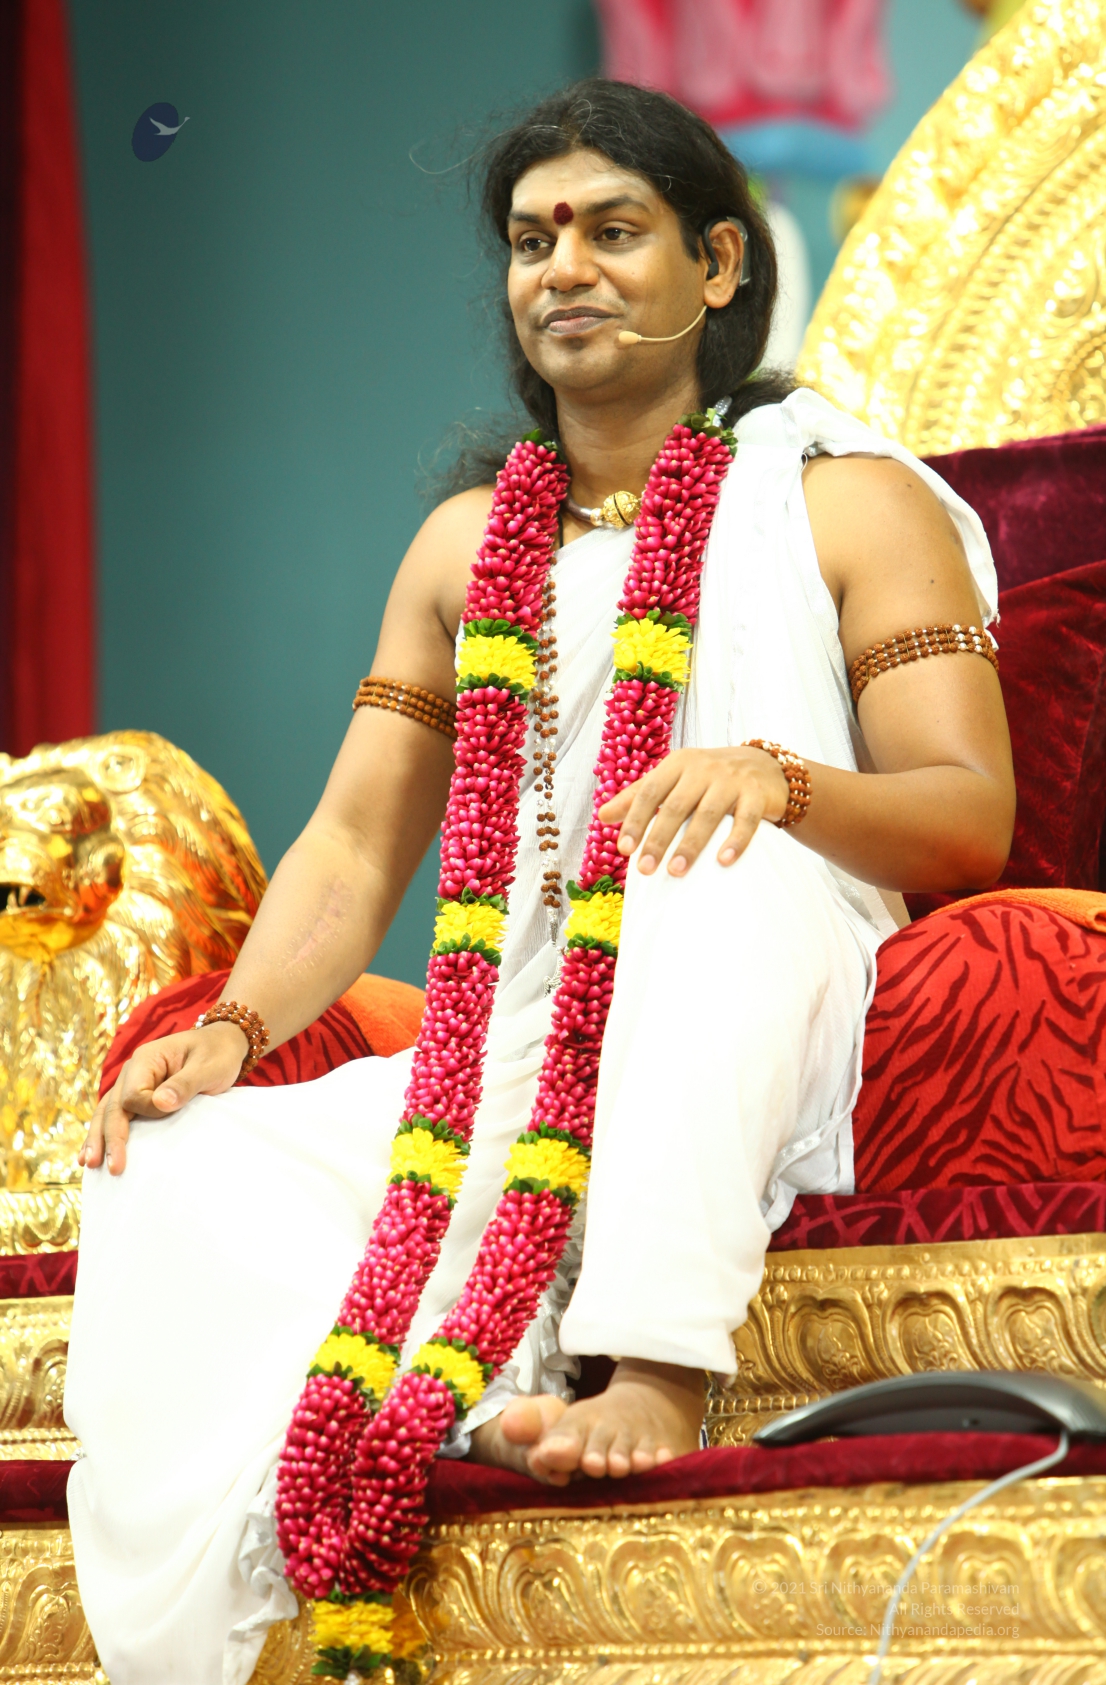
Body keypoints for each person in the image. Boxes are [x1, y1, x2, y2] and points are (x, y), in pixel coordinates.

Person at [64, 79, 1014, 1685]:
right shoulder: (464, 548)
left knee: (695, 870)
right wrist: (231, 1027)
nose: (562, 266)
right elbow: (356, 841)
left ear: (720, 264)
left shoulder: (846, 499)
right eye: (531, 239)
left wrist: (779, 785)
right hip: (514, 1037)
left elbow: (970, 816)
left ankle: (651, 1369)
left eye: (612, 229)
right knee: (183, 1164)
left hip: (771, 971)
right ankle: (303, 1558)